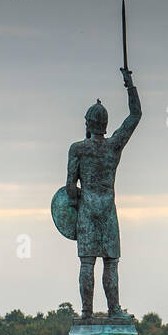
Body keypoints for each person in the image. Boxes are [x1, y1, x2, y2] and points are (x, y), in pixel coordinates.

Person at [65, 67, 142, 317]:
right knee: (111, 263)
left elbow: (69, 188)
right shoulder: (113, 146)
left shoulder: (77, 149)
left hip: (88, 210)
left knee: (87, 263)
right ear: (106, 126)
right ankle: (114, 309)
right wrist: (130, 85)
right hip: (108, 210)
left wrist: (77, 196)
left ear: (88, 124)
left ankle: (87, 312)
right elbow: (135, 114)